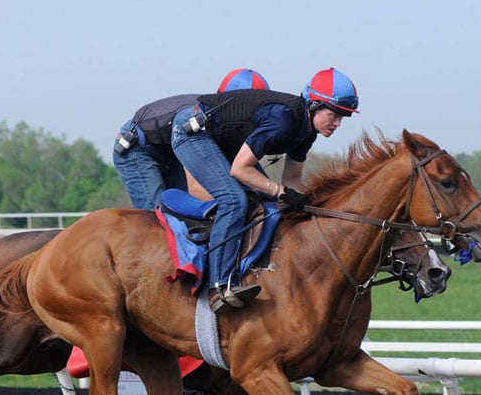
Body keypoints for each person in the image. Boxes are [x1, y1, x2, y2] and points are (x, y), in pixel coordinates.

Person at [170, 67, 359, 314]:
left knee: (262, 201)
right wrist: (280, 192)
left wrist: (311, 208)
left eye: (343, 117)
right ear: (313, 105)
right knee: (234, 201)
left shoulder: (306, 133)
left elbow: (291, 180)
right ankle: (219, 287)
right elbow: (240, 169)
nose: (337, 124)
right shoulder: (284, 120)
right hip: (192, 132)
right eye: (334, 115)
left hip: (222, 140)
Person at [113, 69, 270, 210]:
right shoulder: (201, 121)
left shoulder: (230, 125)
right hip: (137, 151)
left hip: (170, 152)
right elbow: (197, 188)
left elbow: (255, 179)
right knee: (158, 220)